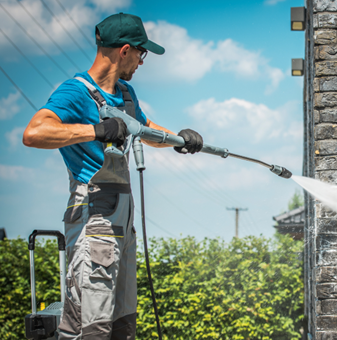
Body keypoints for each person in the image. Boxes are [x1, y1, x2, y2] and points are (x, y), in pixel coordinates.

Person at [22, 13, 203, 340]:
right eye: (141, 53)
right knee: (91, 327)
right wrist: (95, 130)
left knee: (122, 323)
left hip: (123, 221)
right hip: (95, 218)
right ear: (124, 50)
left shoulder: (127, 95)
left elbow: (145, 130)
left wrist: (179, 139)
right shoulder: (76, 92)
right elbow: (35, 132)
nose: (141, 61)